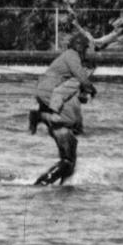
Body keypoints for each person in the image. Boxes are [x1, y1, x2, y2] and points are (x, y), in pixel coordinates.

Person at [30, 33, 96, 185]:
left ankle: (61, 189)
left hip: (60, 116)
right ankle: (39, 186)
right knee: (67, 162)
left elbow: (73, 103)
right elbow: (77, 80)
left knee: (69, 163)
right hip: (58, 117)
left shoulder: (70, 82)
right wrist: (89, 87)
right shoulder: (72, 62)